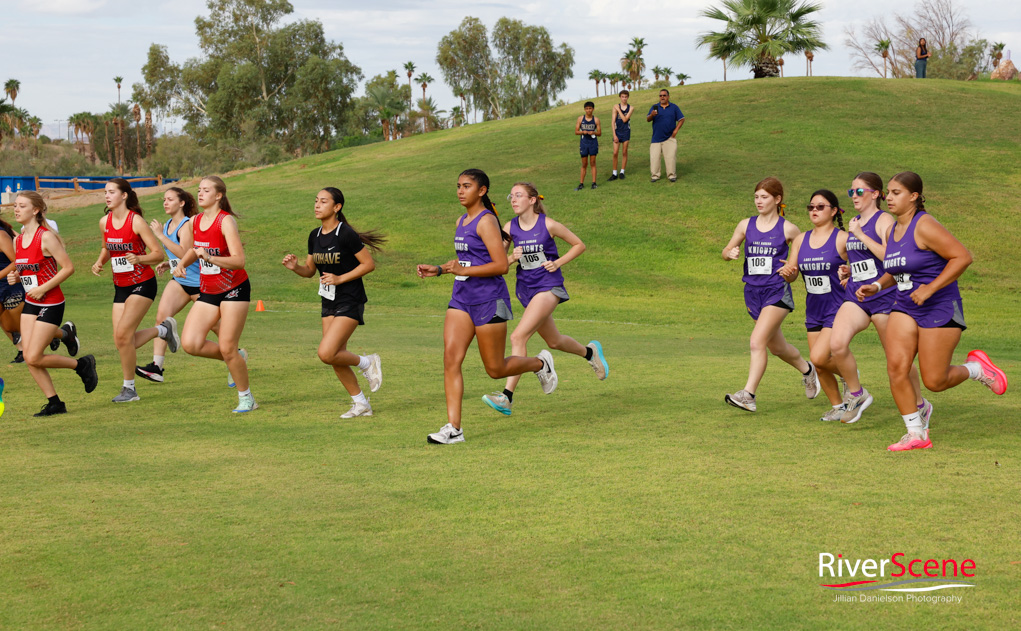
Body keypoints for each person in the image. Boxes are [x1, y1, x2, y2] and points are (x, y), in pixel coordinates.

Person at [856, 172, 1007, 452]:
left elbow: (962, 257)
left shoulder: (924, 225)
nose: (889, 197)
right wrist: (876, 285)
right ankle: (916, 433)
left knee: (935, 381)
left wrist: (930, 289)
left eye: (896, 192)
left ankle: (976, 368)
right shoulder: (892, 230)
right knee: (896, 366)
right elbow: (898, 266)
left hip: (939, 306)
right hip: (904, 305)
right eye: (888, 192)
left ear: (914, 196)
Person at [416, 169, 558, 444]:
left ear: (481, 191)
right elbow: (465, 262)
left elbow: (501, 265)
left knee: (494, 369)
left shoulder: (486, 221)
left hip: (489, 299)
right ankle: (454, 429)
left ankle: (540, 363)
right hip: (461, 299)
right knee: (450, 360)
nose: (460, 190)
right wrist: (440, 269)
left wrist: (462, 270)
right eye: (458, 185)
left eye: (466, 186)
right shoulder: (461, 220)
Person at [481, 182, 608, 415]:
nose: (513, 199)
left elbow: (579, 245)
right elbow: (498, 263)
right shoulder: (510, 227)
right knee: (554, 341)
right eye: (511, 195)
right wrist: (511, 258)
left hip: (549, 287)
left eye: (518, 195)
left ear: (532, 200)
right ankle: (590, 353)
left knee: (518, 335)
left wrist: (557, 262)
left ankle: (506, 396)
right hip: (526, 290)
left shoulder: (548, 224)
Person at [829, 172, 928, 425]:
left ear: (875, 194)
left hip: (885, 296)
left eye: (859, 191)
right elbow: (865, 260)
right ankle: (857, 394)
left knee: (897, 359)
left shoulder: (884, 221)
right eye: (851, 192)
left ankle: (920, 405)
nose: (853, 196)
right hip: (857, 294)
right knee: (837, 344)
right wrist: (850, 270)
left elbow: (892, 258)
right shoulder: (854, 221)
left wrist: (861, 235)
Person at [282, 187, 385, 418]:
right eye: (316, 201)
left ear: (337, 207)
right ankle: (361, 404)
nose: (317, 205)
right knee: (334, 356)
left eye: (324, 201)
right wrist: (295, 267)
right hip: (328, 299)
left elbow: (368, 264)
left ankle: (367, 362)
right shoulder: (314, 235)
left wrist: (340, 278)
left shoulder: (345, 233)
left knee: (326, 352)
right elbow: (310, 271)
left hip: (350, 298)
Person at [722, 177, 819, 411]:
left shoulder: (789, 229)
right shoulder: (746, 225)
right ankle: (808, 370)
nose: (759, 201)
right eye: (756, 196)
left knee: (757, 342)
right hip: (752, 293)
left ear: (777, 199)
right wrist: (730, 253)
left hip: (776, 292)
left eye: (764, 197)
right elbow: (726, 250)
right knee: (777, 348)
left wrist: (790, 271)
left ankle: (748, 395)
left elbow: (796, 268)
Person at [8, 192, 98, 416]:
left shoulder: (46, 237)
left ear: (36, 210)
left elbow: (68, 268)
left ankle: (82, 365)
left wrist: (43, 288)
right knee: (30, 357)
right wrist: (18, 277)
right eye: (15, 206)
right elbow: (29, 269)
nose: (16, 210)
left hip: (51, 302)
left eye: (22, 206)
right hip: (31, 301)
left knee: (33, 356)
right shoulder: (17, 239)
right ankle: (55, 402)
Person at [174, 176, 256, 413]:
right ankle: (237, 356)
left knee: (226, 346)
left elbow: (239, 261)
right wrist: (182, 263)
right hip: (209, 290)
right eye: (199, 190)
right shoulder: (195, 221)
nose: (200, 194)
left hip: (234, 289)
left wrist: (209, 258)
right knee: (190, 343)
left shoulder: (225, 221)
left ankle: (246, 398)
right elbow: (194, 250)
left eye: (206, 190)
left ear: (218, 195)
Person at [91, 178, 177, 403]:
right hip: (120, 286)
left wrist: (139, 258)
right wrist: (100, 261)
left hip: (142, 283)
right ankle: (163, 330)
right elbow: (106, 247)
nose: (107, 196)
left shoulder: (136, 221)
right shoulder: (104, 222)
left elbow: (158, 254)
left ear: (124, 195)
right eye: (105, 193)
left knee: (123, 336)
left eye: (111, 192)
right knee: (121, 340)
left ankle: (129, 389)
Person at [778, 190, 849, 421]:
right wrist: (788, 272)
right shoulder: (800, 240)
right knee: (819, 365)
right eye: (811, 207)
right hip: (814, 308)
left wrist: (849, 274)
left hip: (838, 307)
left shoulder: (842, 239)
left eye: (820, 207)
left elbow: (862, 267)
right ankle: (839, 407)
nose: (814, 211)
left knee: (818, 357)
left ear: (834, 211)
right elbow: (791, 276)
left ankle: (851, 376)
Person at [135, 187, 208, 383]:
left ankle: (235, 355)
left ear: (181, 203)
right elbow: (179, 257)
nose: (165, 203)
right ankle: (157, 367)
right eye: (164, 199)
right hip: (180, 282)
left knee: (218, 328)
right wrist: (169, 263)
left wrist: (160, 236)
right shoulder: (167, 224)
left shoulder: (186, 225)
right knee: (161, 317)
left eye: (170, 199)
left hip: (200, 285)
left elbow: (186, 253)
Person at [0, 211, 27, 363]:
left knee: (20, 327)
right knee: (7, 325)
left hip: (9, 284)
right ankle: (22, 351)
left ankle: (62, 334)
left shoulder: (1, 235)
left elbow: (16, 261)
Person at [646, 89, 684, 183]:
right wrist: (652, 115)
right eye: (660, 95)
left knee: (670, 157)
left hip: (669, 138)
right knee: (654, 158)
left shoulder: (674, 107)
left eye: (664, 95)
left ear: (668, 96)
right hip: (656, 138)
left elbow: (682, 119)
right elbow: (648, 119)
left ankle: (671, 175)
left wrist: (675, 131)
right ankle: (655, 176)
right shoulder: (655, 107)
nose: (662, 97)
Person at [575, 102, 601, 191]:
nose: (588, 110)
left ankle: (594, 183)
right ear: (584, 109)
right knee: (584, 164)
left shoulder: (596, 120)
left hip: (593, 143)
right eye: (587, 108)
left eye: (590, 108)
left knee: (593, 163)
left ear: (593, 109)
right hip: (584, 143)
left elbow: (599, 133)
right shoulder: (580, 119)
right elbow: (576, 131)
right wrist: (583, 132)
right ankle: (581, 183)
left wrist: (593, 132)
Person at [608, 90, 633, 181]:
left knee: (624, 152)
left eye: (626, 97)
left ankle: (622, 172)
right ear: (620, 97)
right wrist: (614, 134)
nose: (624, 98)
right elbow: (613, 121)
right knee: (615, 152)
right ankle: (614, 173)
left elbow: (625, 119)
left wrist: (619, 109)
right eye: (622, 96)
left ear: (628, 97)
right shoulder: (615, 107)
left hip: (626, 131)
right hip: (617, 131)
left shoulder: (631, 108)